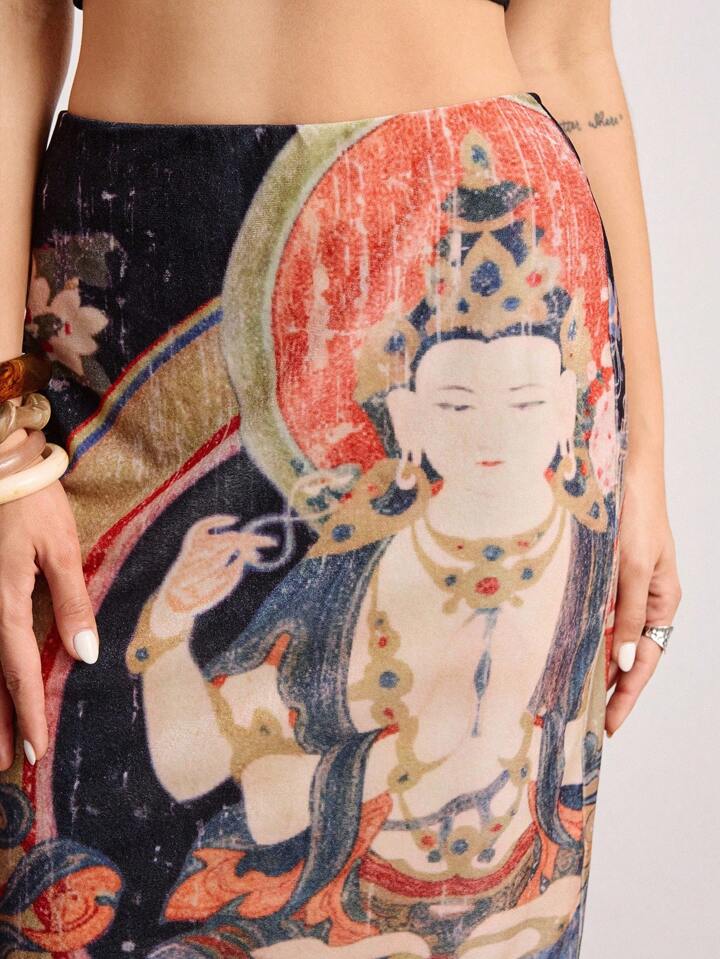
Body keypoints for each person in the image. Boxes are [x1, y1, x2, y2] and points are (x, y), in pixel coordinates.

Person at [0, 2, 682, 957]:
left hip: (482, 343)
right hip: (119, 294)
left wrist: (644, 458)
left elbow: (566, 49)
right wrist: (4, 445)